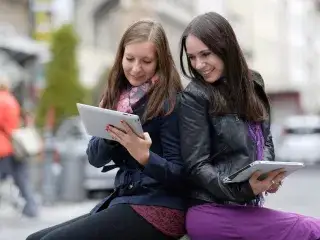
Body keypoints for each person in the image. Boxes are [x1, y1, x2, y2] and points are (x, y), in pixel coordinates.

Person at [27, 19, 186, 240]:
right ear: (121, 55)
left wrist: (145, 157)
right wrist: (109, 135)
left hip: (160, 207)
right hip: (126, 199)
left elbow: (182, 176)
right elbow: (94, 159)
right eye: (130, 59)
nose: (136, 68)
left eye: (146, 61)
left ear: (160, 63)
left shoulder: (170, 103)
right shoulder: (118, 97)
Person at [178, 12, 320, 240]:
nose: (199, 65)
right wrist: (244, 190)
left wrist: (270, 176)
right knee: (313, 229)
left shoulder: (254, 84)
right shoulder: (195, 96)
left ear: (226, 47)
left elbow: (266, 140)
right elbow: (196, 166)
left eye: (205, 54)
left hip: (248, 209)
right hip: (212, 211)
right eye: (192, 57)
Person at [0, 75, 39, 218]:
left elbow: (5, 125)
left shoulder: (2, 100)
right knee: (21, 178)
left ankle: (30, 207)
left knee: (19, 178)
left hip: (4, 147)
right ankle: (31, 207)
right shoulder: (11, 100)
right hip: (14, 148)